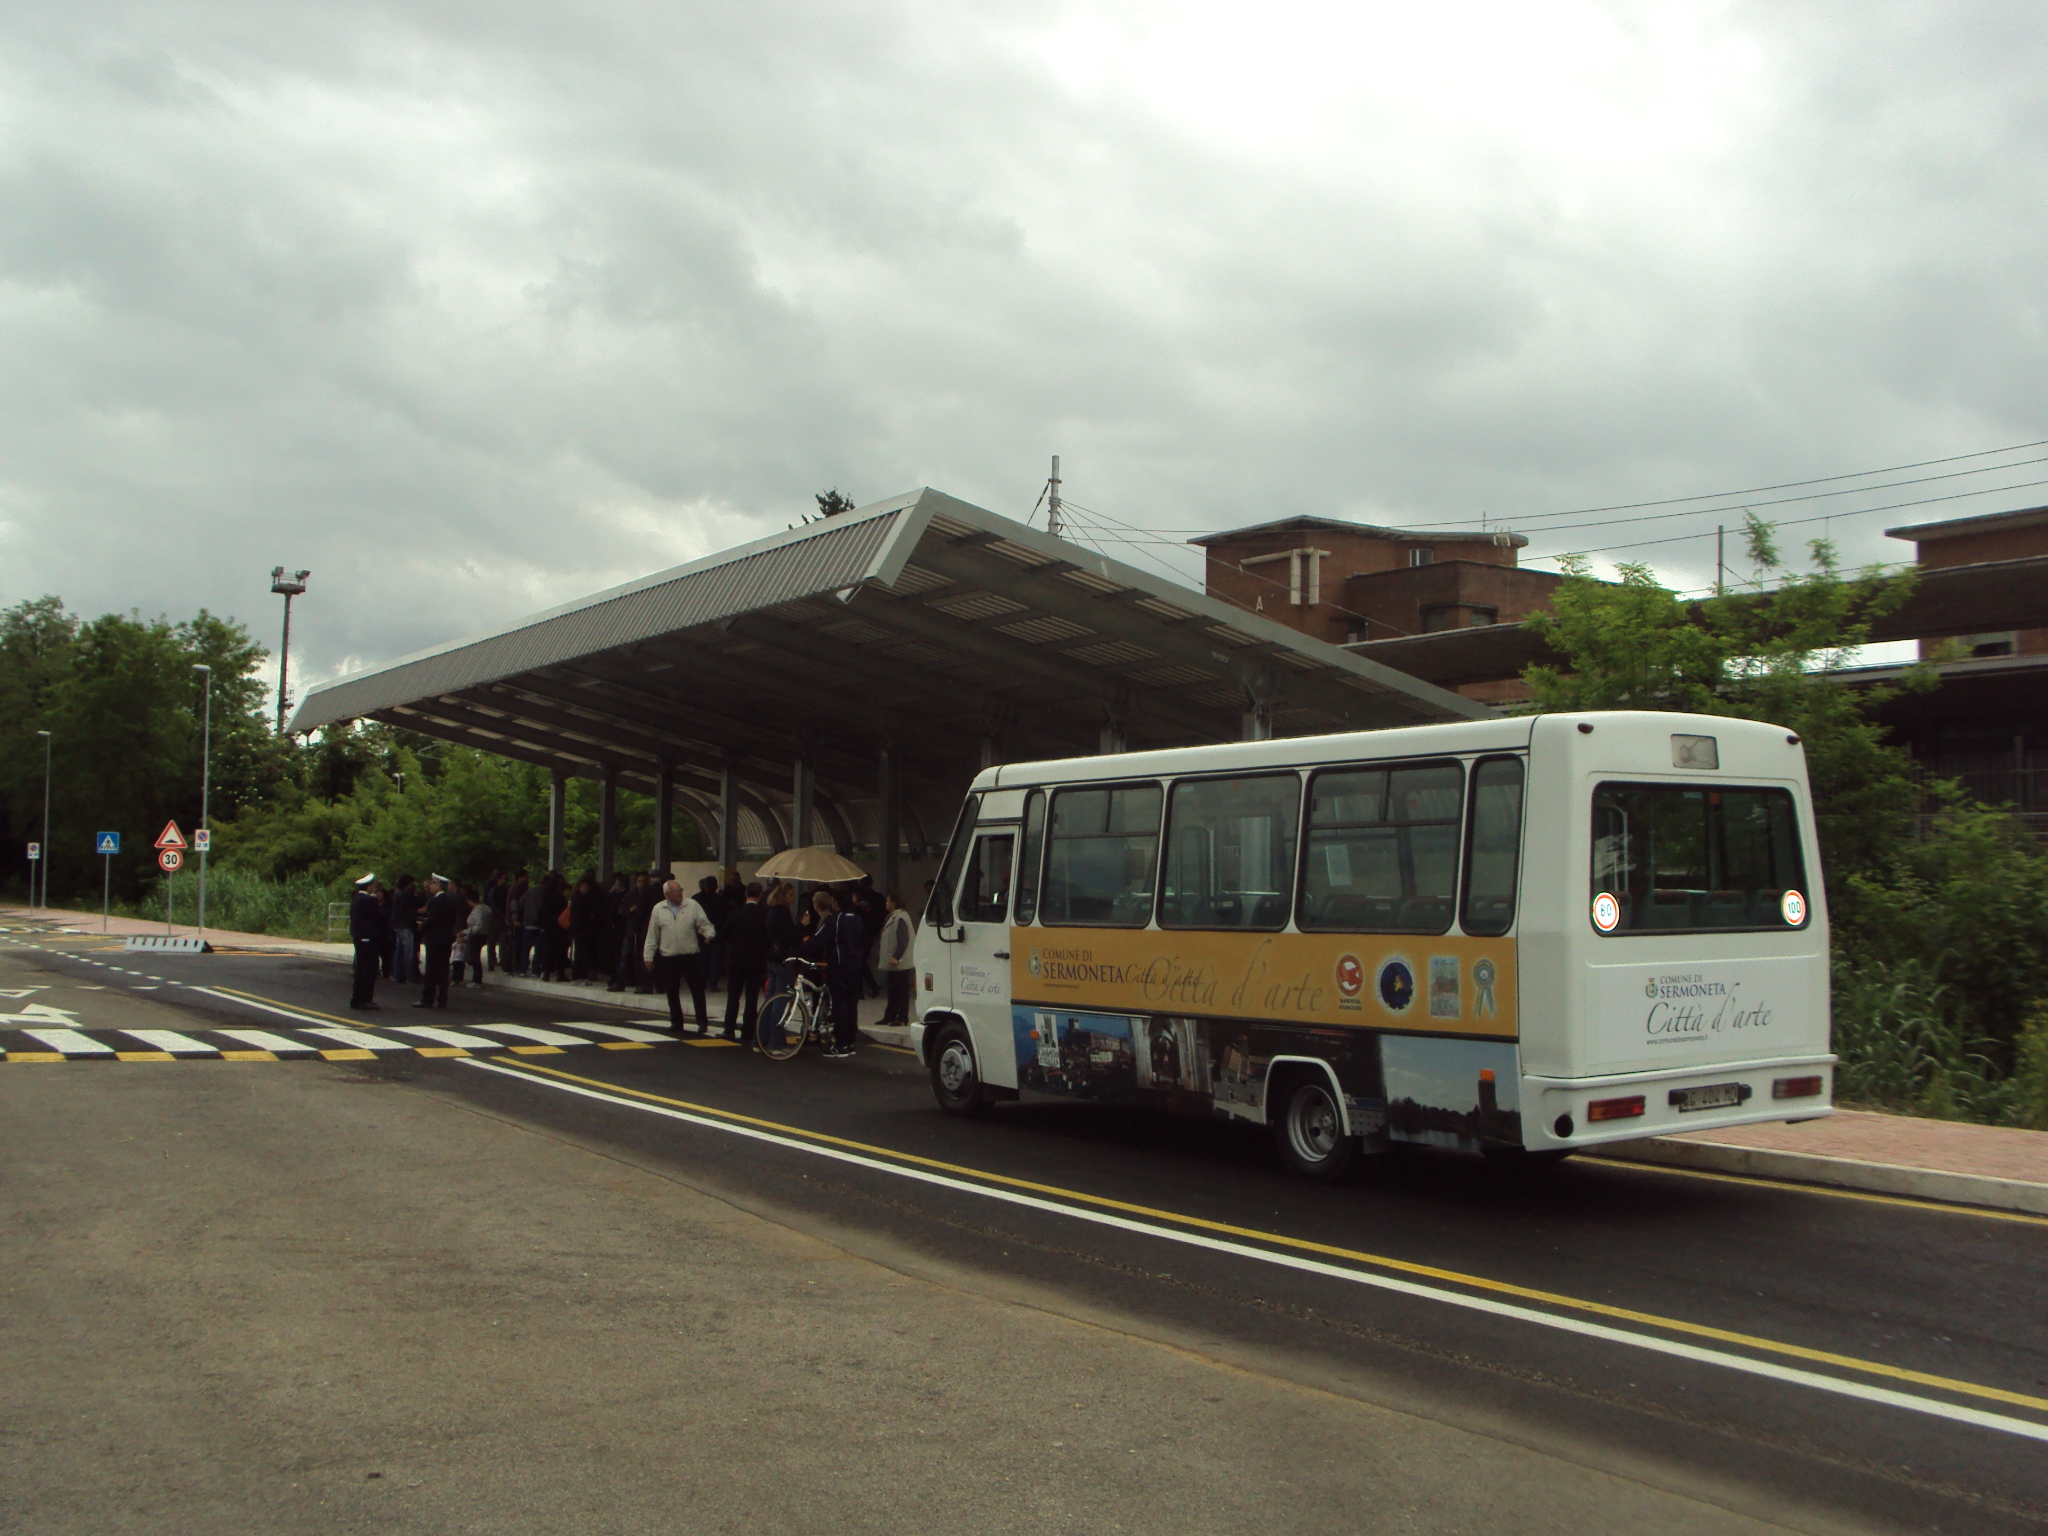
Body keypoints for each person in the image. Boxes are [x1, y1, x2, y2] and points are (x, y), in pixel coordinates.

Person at [644, 878, 717, 1034]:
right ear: (667, 894)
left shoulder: (692, 905)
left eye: (681, 890)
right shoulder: (659, 909)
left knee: (696, 989)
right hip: (669, 955)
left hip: (689, 954)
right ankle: (676, 1022)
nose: (680, 893)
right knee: (671, 989)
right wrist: (648, 957)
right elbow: (652, 935)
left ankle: (702, 1022)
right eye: (676, 891)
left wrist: (709, 934)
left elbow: (704, 924)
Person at [804, 889, 865, 1058]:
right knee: (852, 1004)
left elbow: (818, 940)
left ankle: (840, 1043)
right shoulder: (857, 919)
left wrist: (799, 950)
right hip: (856, 964)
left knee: (839, 1004)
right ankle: (850, 1042)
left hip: (839, 965)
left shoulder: (835, 919)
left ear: (836, 902)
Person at [720, 882, 770, 1042]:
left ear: (745, 894)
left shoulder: (735, 913)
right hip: (756, 961)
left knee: (733, 995)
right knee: (752, 997)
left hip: (736, 959)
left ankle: (729, 1029)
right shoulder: (764, 914)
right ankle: (747, 1030)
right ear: (760, 895)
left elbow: (725, 933)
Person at [416, 873, 463, 1009]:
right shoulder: (449, 901)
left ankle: (427, 998)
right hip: (446, 938)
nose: (430, 887)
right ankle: (442, 999)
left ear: (437, 885)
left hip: (435, 939)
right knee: (443, 970)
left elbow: (433, 920)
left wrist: (423, 926)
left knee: (431, 970)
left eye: (432, 884)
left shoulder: (435, 901)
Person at [878, 892, 915, 1025]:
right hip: (894, 964)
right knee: (892, 990)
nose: (886, 904)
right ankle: (890, 1015)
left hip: (900, 963)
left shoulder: (900, 918)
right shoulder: (893, 917)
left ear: (894, 903)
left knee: (901, 991)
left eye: (888, 901)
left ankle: (902, 1018)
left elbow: (903, 940)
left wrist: (896, 956)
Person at [348, 873, 384, 1010]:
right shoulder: (369, 900)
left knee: (360, 968)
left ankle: (357, 998)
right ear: (369, 886)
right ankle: (365, 998)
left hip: (358, 935)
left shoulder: (356, 899)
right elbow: (379, 916)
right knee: (368, 968)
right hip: (368, 936)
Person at [387, 874, 421, 984]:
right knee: (408, 952)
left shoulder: (397, 894)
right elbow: (404, 912)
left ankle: (397, 974)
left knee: (399, 951)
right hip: (405, 925)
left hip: (397, 925)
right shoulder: (403, 895)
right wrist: (417, 912)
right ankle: (409, 976)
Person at [462, 883, 496, 986]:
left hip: (477, 935)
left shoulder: (477, 911)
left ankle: (477, 980)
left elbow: (478, 925)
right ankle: (476, 979)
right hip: (484, 934)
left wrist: (466, 932)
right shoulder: (486, 908)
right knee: (475, 957)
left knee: (474, 958)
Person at [506, 870, 532, 975]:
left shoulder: (517, 887)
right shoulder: (517, 888)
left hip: (516, 918)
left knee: (516, 943)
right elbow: (514, 903)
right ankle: (513, 966)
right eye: (525, 877)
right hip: (516, 919)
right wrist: (515, 918)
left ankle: (512, 966)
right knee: (516, 944)